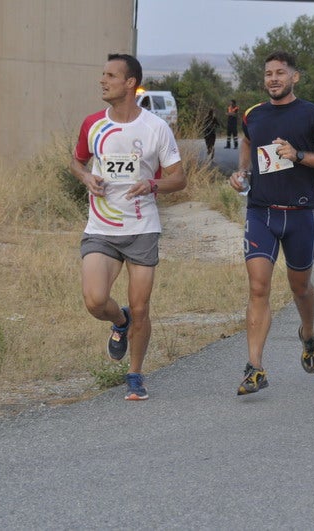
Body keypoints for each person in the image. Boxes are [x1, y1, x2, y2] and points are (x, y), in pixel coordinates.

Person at [70, 53, 187, 401]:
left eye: (110, 75)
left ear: (130, 83)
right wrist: (86, 176)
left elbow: (179, 179)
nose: (102, 81)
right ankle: (118, 321)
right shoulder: (93, 123)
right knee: (94, 301)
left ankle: (135, 374)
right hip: (101, 227)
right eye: (102, 74)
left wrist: (152, 185)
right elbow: (76, 161)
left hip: (141, 227)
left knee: (141, 309)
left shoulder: (155, 128)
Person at [228, 50, 314, 396]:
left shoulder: (312, 115)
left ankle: (307, 331)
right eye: (268, 74)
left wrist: (300, 155)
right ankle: (255, 368)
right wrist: (242, 173)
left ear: (295, 77)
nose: (273, 79)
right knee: (258, 287)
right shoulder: (254, 115)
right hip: (261, 212)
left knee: (300, 287)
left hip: (299, 214)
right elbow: (248, 141)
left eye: (280, 73)